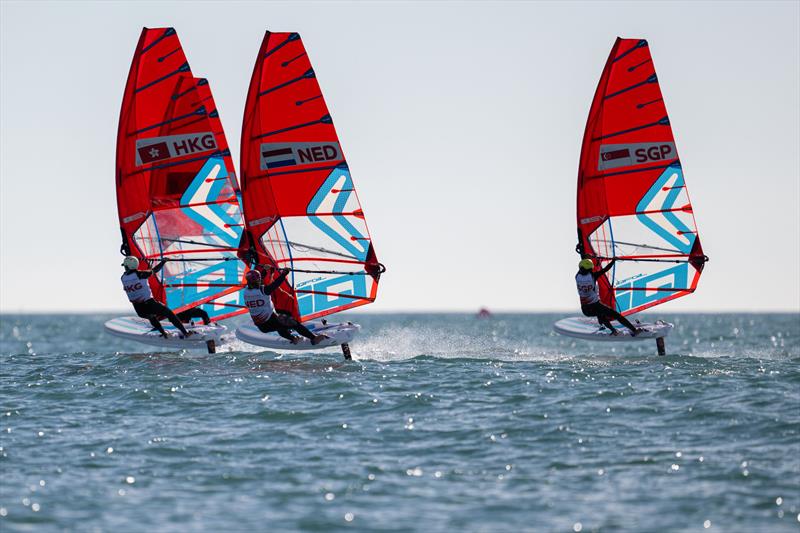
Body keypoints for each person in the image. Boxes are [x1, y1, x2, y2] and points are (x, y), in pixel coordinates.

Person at [242, 268, 328, 345]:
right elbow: (275, 285)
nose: (259, 281)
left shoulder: (246, 291)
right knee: (292, 322)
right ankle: (314, 338)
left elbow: (258, 281)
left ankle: (293, 339)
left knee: (280, 320)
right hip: (270, 321)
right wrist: (284, 274)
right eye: (258, 280)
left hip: (262, 327)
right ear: (255, 281)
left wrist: (265, 270)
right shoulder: (263, 290)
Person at [121, 256, 191, 338]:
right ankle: (185, 333)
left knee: (151, 316)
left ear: (129, 266)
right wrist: (163, 262)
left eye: (125, 266)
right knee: (169, 313)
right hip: (149, 304)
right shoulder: (140, 274)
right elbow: (154, 271)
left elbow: (144, 274)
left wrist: (148, 268)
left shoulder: (123, 277)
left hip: (139, 310)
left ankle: (164, 333)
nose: (125, 268)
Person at [576, 258, 641, 336]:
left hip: (585, 310)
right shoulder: (593, 276)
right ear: (589, 269)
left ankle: (613, 330)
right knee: (616, 315)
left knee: (601, 314)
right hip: (595, 306)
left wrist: (587, 258)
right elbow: (605, 269)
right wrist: (613, 261)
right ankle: (634, 330)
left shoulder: (577, 276)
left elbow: (582, 268)